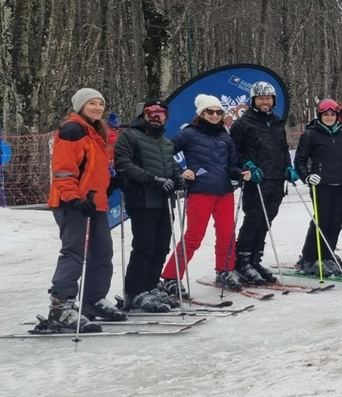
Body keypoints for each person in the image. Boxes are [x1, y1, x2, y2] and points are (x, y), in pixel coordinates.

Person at [40, 88, 120, 332]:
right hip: (72, 204)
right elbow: (63, 171)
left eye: (100, 104)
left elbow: (95, 169)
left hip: (94, 203)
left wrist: (111, 182)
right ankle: (61, 306)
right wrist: (74, 199)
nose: (97, 108)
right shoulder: (72, 130)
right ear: (80, 106)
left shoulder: (96, 132)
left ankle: (93, 299)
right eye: (91, 104)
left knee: (102, 252)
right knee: (74, 253)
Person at [161, 94, 252, 293]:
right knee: (194, 236)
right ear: (201, 113)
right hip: (200, 191)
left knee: (227, 234)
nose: (214, 115)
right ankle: (170, 277)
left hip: (224, 192)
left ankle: (225, 271)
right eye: (210, 111)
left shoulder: (225, 137)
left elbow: (231, 165)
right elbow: (164, 151)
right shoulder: (189, 134)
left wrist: (240, 172)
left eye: (218, 112)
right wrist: (180, 171)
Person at [114, 98, 183, 313]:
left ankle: (151, 286)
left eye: (161, 113)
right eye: (152, 111)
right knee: (144, 246)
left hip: (163, 201)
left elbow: (172, 167)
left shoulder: (166, 143)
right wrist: (152, 179)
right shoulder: (130, 136)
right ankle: (135, 291)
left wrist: (178, 178)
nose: (156, 116)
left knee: (161, 245)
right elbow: (123, 164)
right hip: (141, 198)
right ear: (143, 114)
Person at [230, 81, 293, 286]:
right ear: (254, 100)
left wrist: (288, 167)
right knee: (253, 219)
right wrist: (246, 165)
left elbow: (283, 149)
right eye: (261, 98)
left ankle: (256, 260)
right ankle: (243, 261)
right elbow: (234, 153)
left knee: (267, 221)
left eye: (268, 98)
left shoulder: (276, 122)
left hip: (276, 179)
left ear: (273, 100)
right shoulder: (243, 124)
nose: (265, 102)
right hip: (256, 180)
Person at [293, 98, 342, 278]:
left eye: (332, 114)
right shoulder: (311, 134)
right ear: (320, 116)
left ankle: (327, 255)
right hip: (322, 185)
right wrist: (307, 176)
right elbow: (300, 160)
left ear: (337, 116)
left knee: (336, 222)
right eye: (325, 114)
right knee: (322, 221)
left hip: (341, 184)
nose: (329, 117)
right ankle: (309, 258)